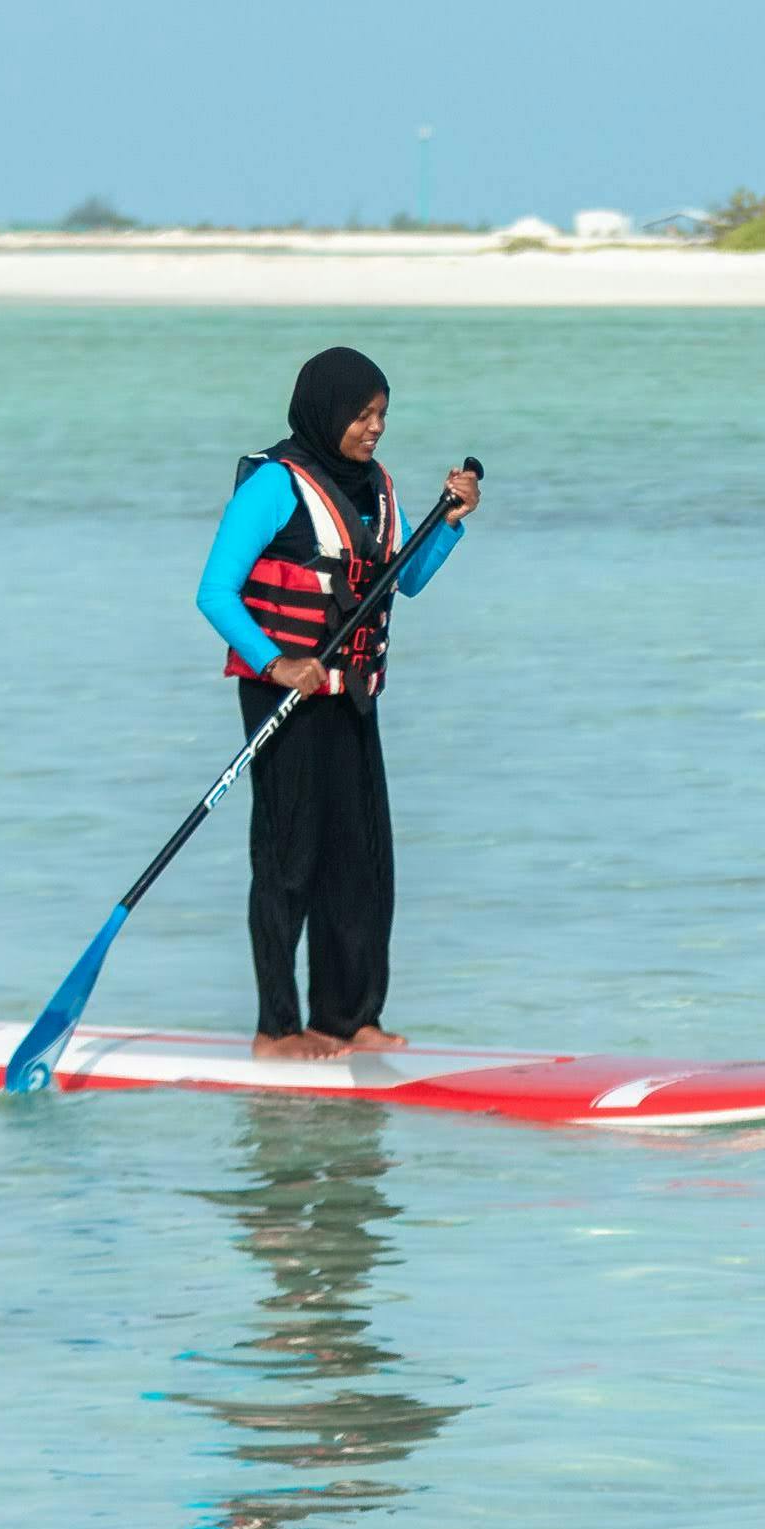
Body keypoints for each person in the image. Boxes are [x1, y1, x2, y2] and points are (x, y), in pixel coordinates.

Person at [196, 344, 481, 1061]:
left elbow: (405, 579)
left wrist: (449, 520)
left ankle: (347, 1018)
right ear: (326, 412)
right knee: (290, 859)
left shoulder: (377, 486)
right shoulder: (273, 485)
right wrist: (274, 660)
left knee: (362, 860)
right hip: (285, 700)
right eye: (361, 414)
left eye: (382, 413)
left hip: (351, 698)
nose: (373, 426)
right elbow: (214, 593)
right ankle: (276, 1029)